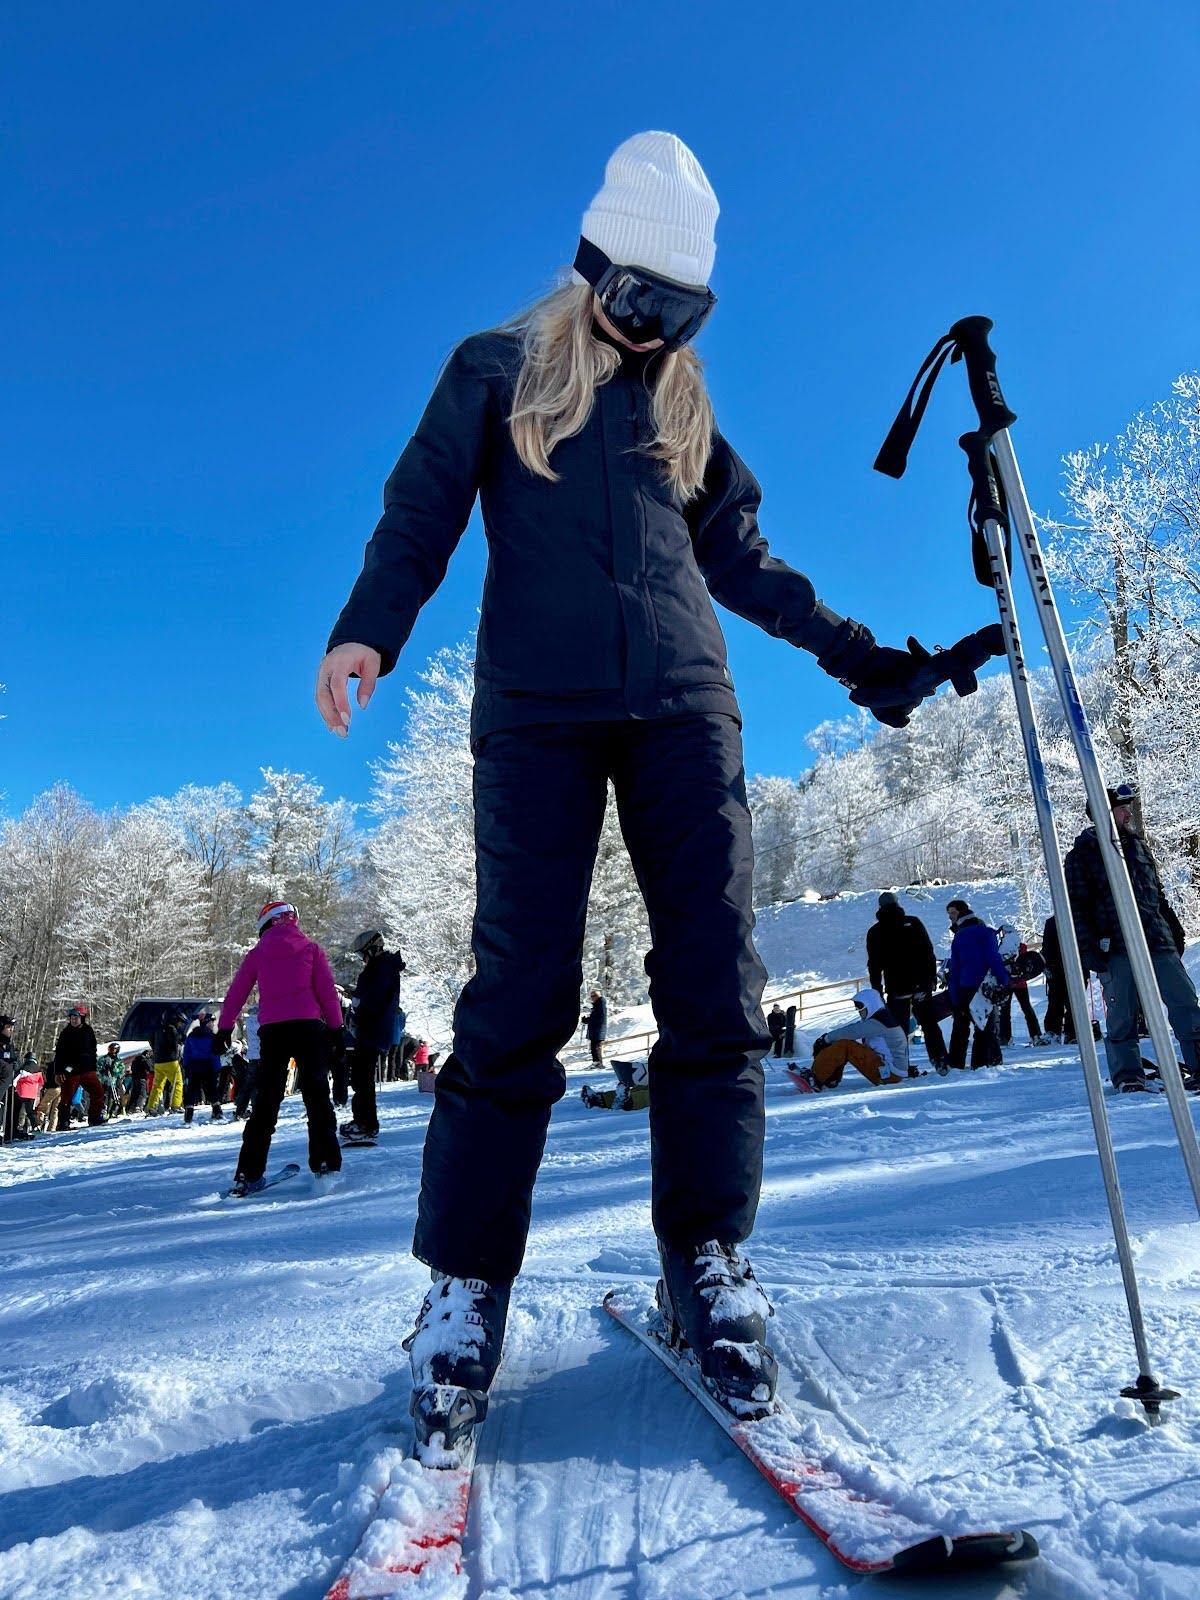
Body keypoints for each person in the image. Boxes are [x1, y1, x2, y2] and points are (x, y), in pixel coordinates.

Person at [314, 130, 987, 1456]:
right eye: (639, 301)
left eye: (684, 314)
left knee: (714, 981)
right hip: (537, 715)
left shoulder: (685, 413)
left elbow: (751, 565)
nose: (655, 331)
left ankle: (707, 1261)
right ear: (592, 269)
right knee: (520, 991)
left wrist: (866, 662)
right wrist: (368, 628)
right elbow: (420, 510)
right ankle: (465, 1289)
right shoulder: (497, 370)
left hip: (684, 707)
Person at [1065, 783, 1200, 1093]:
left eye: (1128, 808)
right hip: (1114, 947)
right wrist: (1088, 948)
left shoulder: (1139, 847)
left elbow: (1157, 895)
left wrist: (1173, 929)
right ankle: (1128, 1076)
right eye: (1121, 809)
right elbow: (1077, 908)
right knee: (1122, 1016)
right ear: (1103, 813)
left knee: (1185, 1003)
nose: (1128, 814)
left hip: (1157, 942)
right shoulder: (1081, 856)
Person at [216, 901, 344, 1193]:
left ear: (266, 923)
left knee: (266, 1101)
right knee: (317, 1097)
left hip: (274, 1031)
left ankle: (248, 1172)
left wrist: (224, 1027)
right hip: (309, 1028)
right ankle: (325, 1164)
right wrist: (336, 1029)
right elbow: (327, 992)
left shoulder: (258, 953)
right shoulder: (311, 949)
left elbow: (237, 992)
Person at [865, 892, 946, 1067]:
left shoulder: (875, 932)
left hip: (897, 987)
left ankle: (901, 1066)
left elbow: (874, 965)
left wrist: (877, 989)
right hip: (920, 983)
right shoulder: (913, 923)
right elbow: (928, 952)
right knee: (929, 1023)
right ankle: (940, 1060)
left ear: (880, 907)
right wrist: (931, 977)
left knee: (898, 1029)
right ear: (897, 903)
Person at [342, 929, 406, 1143]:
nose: (362, 959)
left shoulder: (380, 969)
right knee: (361, 1078)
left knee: (363, 1079)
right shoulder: (382, 968)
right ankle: (362, 1120)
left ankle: (367, 1124)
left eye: (362, 954)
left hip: (372, 1031)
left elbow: (372, 1001)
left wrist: (357, 1009)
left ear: (372, 949)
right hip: (371, 1030)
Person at [791, 988, 909, 1091]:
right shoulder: (882, 1019)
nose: (859, 1011)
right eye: (857, 1007)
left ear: (871, 1004)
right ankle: (829, 1077)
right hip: (890, 1070)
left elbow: (852, 1031)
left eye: (861, 1007)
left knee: (845, 1045)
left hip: (890, 1074)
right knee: (842, 1043)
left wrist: (826, 1039)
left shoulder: (880, 1022)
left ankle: (815, 1079)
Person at [942, 902, 1009, 1070]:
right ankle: (983, 1063)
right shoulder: (987, 933)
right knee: (985, 1026)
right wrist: (1004, 979)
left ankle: (955, 1064)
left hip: (964, 986)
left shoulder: (959, 937)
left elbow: (955, 967)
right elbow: (993, 958)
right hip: (983, 986)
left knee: (960, 1027)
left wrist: (954, 994)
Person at [994, 926, 1049, 1046]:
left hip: (1007, 983)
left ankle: (1005, 1038)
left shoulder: (1002, 948)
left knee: (1005, 1011)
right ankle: (1035, 1035)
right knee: (1027, 1008)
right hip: (1021, 984)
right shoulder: (1021, 946)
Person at [54, 1005, 105, 1128]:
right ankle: (63, 1121)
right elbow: (59, 1053)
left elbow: (93, 1050)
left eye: (76, 1017)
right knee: (67, 1096)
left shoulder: (88, 1031)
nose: (73, 1020)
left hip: (88, 1069)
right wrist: (58, 1071)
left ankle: (94, 1117)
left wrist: (93, 1065)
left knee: (98, 1092)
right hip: (71, 1070)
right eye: (71, 1018)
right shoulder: (66, 1033)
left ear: (82, 1018)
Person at [182, 1011, 224, 1123]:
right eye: (211, 1022)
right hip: (209, 1066)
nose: (213, 1024)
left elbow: (187, 1053)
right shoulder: (212, 1037)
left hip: (194, 1066)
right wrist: (217, 1068)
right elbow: (215, 1054)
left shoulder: (191, 1036)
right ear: (206, 1023)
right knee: (211, 1089)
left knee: (192, 1090)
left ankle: (188, 1114)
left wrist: (186, 1066)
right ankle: (217, 1111)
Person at [1040, 916, 1077, 1045]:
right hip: (1057, 969)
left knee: (1071, 1002)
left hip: (1072, 968)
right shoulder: (1052, 922)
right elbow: (1047, 946)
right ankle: (1055, 1032)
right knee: (1056, 1001)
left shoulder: (1077, 918)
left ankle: (1071, 1032)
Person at [147, 1010, 185, 1115]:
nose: (180, 1024)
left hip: (158, 1061)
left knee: (157, 1085)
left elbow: (151, 1040)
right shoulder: (172, 1029)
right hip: (171, 1061)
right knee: (178, 1083)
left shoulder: (157, 1029)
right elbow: (175, 1042)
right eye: (180, 1022)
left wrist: (156, 1051)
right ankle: (176, 1105)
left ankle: (151, 1107)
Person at [13, 1053, 44, 1139]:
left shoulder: (23, 1068)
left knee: (18, 1112)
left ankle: (19, 1129)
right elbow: (41, 1083)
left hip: (21, 1092)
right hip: (32, 1094)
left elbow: (14, 1081)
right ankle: (34, 1128)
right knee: (30, 1112)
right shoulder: (39, 1070)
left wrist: (14, 1087)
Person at [1, 1016, 20, 1144]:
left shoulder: (8, 1044)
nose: (11, 1030)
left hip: (7, 1081)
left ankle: (11, 1131)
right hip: (2, 1078)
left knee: (15, 1101)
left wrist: (15, 1064)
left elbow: (14, 1060)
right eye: (8, 1027)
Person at [583, 990, 608, 1065]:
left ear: (597, 996)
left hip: (598, 1029)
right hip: (596, 1029)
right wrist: (587, 1020)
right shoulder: (597, 1005)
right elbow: (596, 1017)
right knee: (594, 1047)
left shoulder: (600, 1004)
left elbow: (600, 1017)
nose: (592, 998)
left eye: (593, 996)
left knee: (595, 1047)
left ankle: (597, 1063)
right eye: (591, 996)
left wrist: (588, 1020)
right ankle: (596, 1063)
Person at [127, 1050, 154, 1115]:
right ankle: (138, 1107)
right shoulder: (144, 1060)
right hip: (142, 1078)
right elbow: (149, 1068)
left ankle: (131, 1108)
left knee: (134, 1093)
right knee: (142, 1093)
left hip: (134, 1078)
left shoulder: (135, 1060)